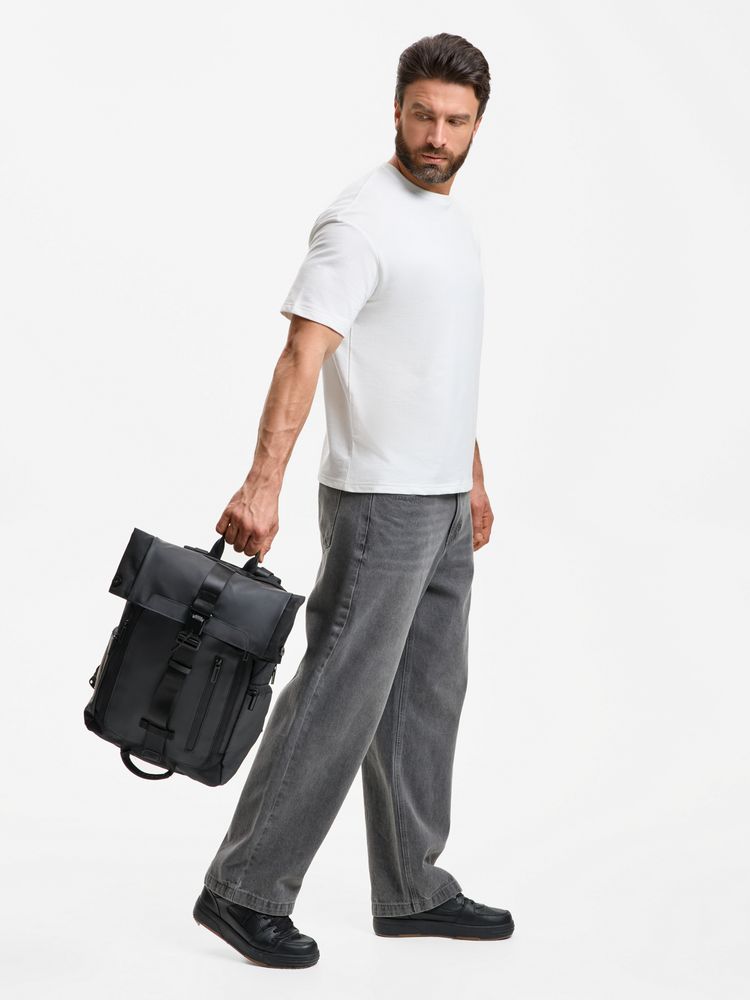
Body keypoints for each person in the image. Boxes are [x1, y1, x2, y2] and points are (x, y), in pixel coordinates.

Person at [192, 32, 514, 969]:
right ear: (396, 111)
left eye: (455, 121)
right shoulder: (360, 221)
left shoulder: (450, 220)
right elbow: (303, 353)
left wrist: (471, 474)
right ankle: (243, 889)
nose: (437, 136)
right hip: (380, 504)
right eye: (423, 115)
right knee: (339, 694)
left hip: (440, 498)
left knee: (428, 695)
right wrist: (262, 484)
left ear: (478, 125)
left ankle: (413, 889)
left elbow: (439, 359)